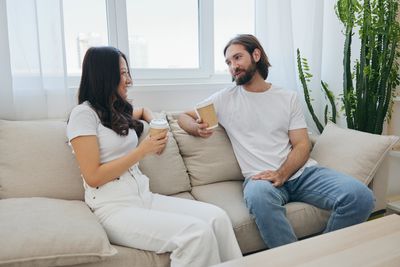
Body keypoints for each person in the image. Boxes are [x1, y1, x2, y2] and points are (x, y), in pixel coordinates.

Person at [178, 34, 375, 249]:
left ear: (256, 54)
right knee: (259, 197)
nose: (233, 66)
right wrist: (195, 128)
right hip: (260, 179)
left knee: (360, 196)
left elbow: (302, 144)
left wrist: (282, 173)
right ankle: (294, 261)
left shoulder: (287, 97)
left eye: (237, 58)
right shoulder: (225, 99)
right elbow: (183, 116)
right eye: (228, 62)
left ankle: (323, 255)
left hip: (302, 173)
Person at [67, 46, 242, 267]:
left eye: (127, 73)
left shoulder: (113, 111)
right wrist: (142, 151)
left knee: (218, 218)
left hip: (143, 197)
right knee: (196, 234)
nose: (129, 80)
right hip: (113, 208)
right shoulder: (83, 115)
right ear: (104, 75)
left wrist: (155, 122)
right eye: (122, 73)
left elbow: (141, 111)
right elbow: (93, 176)